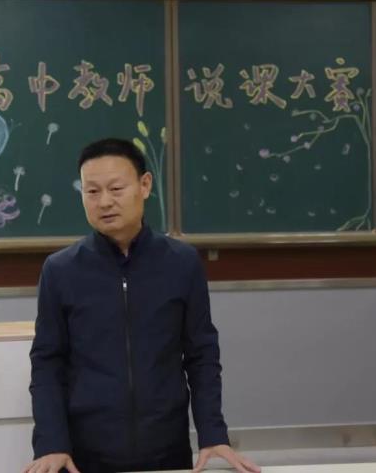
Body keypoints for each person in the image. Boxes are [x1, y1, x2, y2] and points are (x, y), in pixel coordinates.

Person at [24, 138, 260, 473]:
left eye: (116, 188)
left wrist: (212, 434)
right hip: (85, 455)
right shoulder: (60, 270)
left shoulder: (181, 263)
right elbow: (47, 363)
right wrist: (51, 443)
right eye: (92, 191)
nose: (105, 202)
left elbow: (202, 355)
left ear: (145, 185)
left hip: (166, 448)